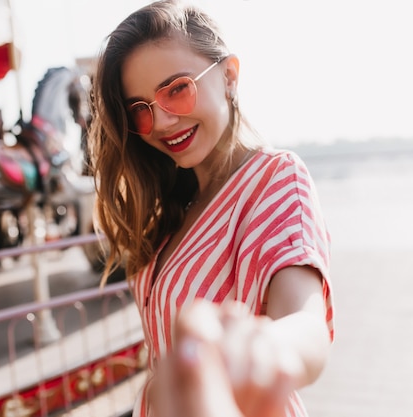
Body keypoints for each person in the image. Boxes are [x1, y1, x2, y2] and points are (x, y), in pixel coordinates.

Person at [87, 1, 334, 416]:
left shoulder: (273, 178)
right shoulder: (174, 205)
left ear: (229, 76)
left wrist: (261, 350)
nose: (162, 122)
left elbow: (306, 327)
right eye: (141, 111)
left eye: (177, 89)